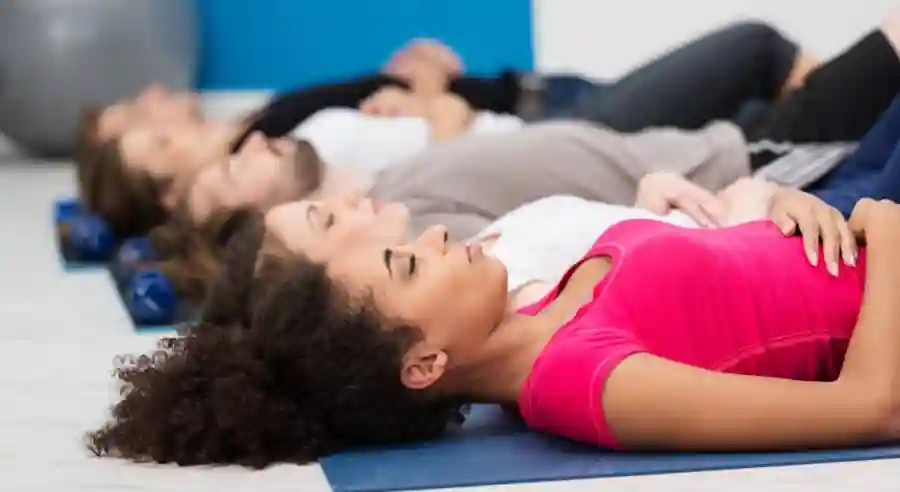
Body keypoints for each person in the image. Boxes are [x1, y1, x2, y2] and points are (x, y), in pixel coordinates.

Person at [87, 188, 900, 466]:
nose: (435, 239)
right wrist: (887, 233)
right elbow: (872, 409)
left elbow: (751, 285)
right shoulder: (582, 384)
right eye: (410, 265)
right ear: (422, 365)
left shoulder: (545, 312)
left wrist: (798, 215)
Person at [76, 21, 823, 239]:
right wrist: (433, 96)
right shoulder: (308, 146)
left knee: (767, 125)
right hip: (562, 129)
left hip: (563, 132)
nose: (152, 104)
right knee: (760, 72)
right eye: (155, 140)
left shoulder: (283, 134)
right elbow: (452, 133)